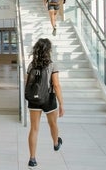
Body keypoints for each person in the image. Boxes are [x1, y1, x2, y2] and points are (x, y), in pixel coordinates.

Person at [26, 38, 64, 168]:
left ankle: (32, 159)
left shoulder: (31, 65)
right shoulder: (52, 65)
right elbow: (56, 85)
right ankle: (55, 143)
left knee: (34, 129)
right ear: (48, 50)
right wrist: (61, 104)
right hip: (48, 99)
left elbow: (28, 83)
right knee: (52, 124)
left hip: (34, 99)